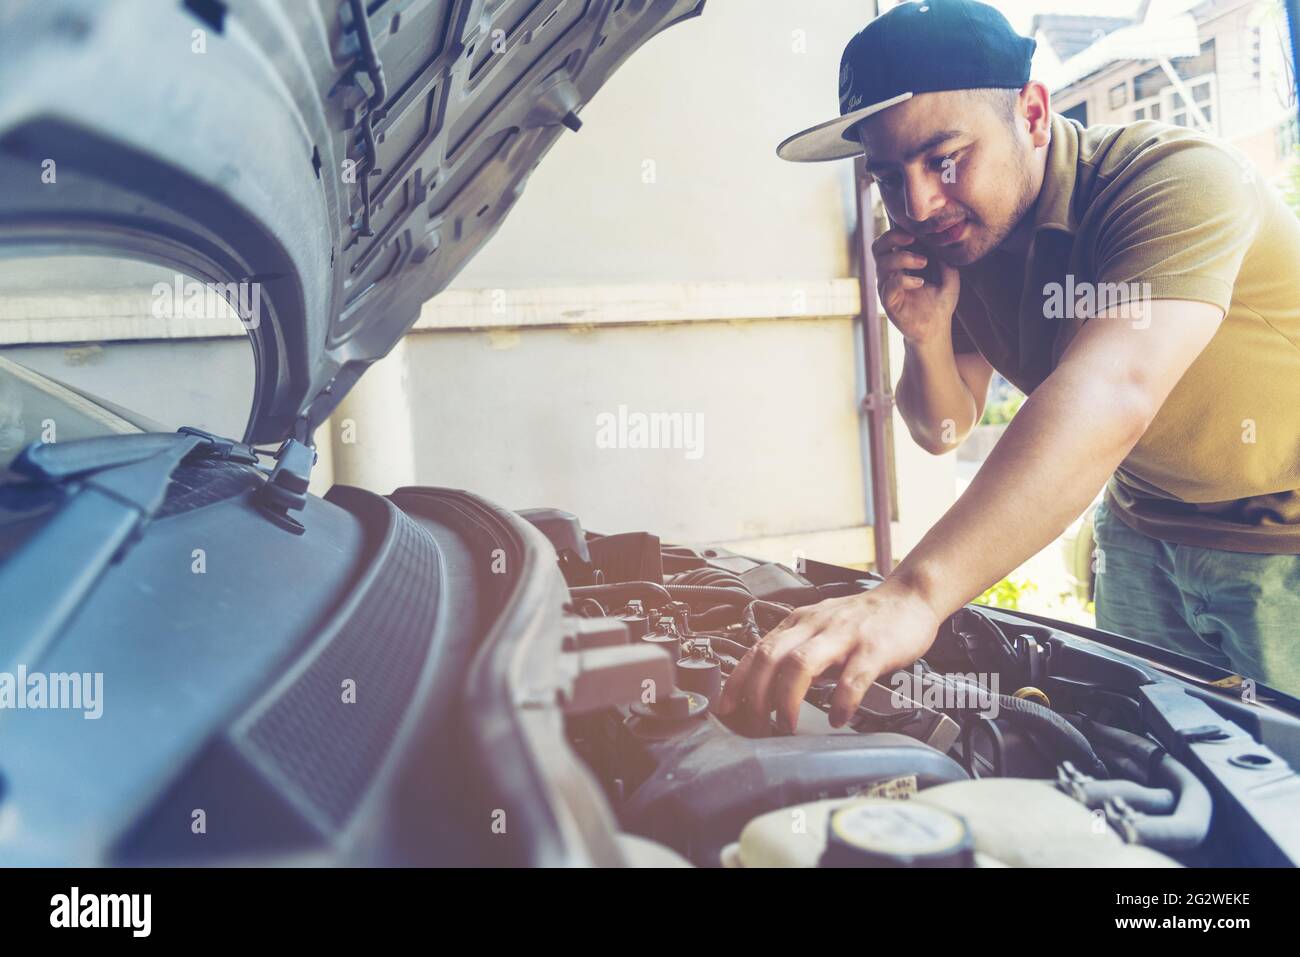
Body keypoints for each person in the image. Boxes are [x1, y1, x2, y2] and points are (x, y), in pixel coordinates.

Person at [716, 0, 1300, 730]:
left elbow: (1114, 391)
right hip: (1143, 530)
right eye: (889, 175)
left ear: (1031, 113)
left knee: (1279, 795)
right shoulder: (968, 239)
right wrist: (924, 335)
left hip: (1283, 540)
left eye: (945, 159)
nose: (920, 203)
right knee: (1147, 764)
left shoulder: (1176, 182)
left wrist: (915, 594)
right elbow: (945, 427)